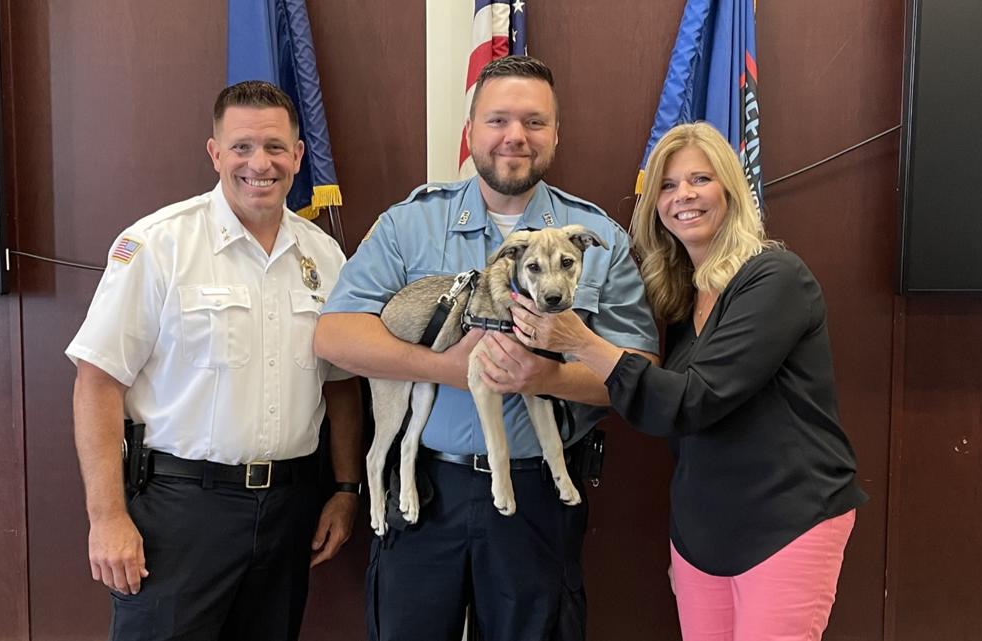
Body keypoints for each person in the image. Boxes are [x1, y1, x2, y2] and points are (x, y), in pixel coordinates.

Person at [314, 56, 660, 641]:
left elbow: (641, 372)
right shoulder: (410, 224)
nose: (515, 136)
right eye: (498, 120)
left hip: (538, 495)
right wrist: (443, 368)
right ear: (471, 131)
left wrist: (544, 379)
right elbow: (336, 336)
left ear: (555, 134)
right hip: (425, 490)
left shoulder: (598, 237)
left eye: (533, 122)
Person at [508, 121, 868, 641]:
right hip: (704, 534)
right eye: (669, 185)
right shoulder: (682, 299)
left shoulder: (776, 278)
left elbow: (695, 401)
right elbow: (667, 420)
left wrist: (579, 340)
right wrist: (689, 546)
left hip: (787, 523)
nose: (684, 196)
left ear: (731, 190)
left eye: (700, 179)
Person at [66, 80, 362, 641]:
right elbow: (97, 381)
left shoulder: (324, 256)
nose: (260, 163)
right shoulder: (158, 245)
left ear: (299, 155)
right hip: (180, 514)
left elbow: (341, 384)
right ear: (215, 153)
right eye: (242, 147)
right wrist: (106, 518)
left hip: (289, 510)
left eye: (276, 147)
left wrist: (346, 491)